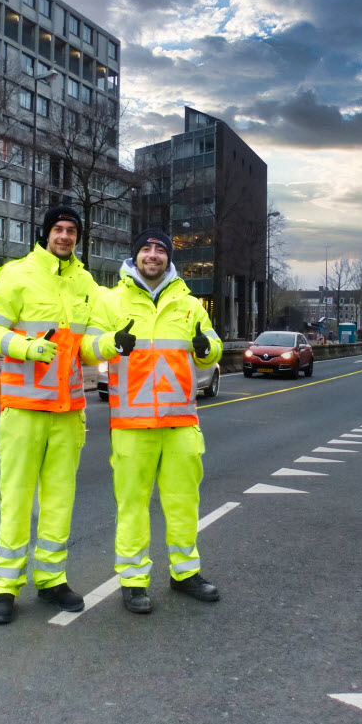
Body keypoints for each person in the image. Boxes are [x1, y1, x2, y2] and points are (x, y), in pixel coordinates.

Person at [0, 206, 113, 625]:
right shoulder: (17, 274)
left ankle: (52, 579)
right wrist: (27, 347)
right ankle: (5, 588)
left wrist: (110, 345)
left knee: (59, 499)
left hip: (69, 409)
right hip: (23, 409)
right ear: (45, 233)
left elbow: (86, 349)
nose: (65, 236)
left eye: (72, 230)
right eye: (58, 229)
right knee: (15, 498)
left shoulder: (86, 282)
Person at [95, 229, 223, 614]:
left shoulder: (189, 304)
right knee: (132, 505)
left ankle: (185, 574)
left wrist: (207, 349)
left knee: (183, 502)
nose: (153, 255)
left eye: (160, 250)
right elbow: (88, 346)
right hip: (132, 425)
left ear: (169, 258)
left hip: (181, 421)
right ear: (135, 257)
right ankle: (133, 581)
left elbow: (212, 346)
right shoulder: (112, 300)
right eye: (146, 249)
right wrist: (109, 343)